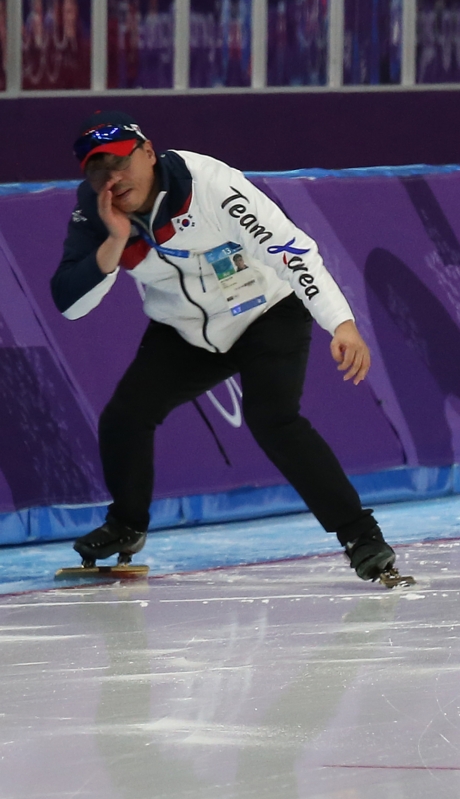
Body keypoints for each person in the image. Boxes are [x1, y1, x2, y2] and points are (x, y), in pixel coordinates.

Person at [50, 111, 408, 586]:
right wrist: (114, 242)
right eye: (98, 170)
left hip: (266, 315)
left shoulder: (211, 186)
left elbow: (291, 250)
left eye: (120, 163)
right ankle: (127, 525)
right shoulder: (96, 210)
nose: (112, 179)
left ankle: (361, 537)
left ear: (149, 152)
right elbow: (70, 304)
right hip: (185, 332)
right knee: (125, 416)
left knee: (273, 419)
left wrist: (340, 322)